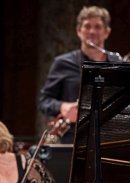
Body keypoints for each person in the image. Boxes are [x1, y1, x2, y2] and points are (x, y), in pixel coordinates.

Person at [38, 6, 122, 143]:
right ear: (79, 31)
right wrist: (62, 107)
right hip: (73, 139)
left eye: (98, 27)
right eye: (87, 26)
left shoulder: (118, 63)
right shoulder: (63, 63)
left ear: (107, 32)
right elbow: (44, 101)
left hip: (110, 138)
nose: (92, 31)